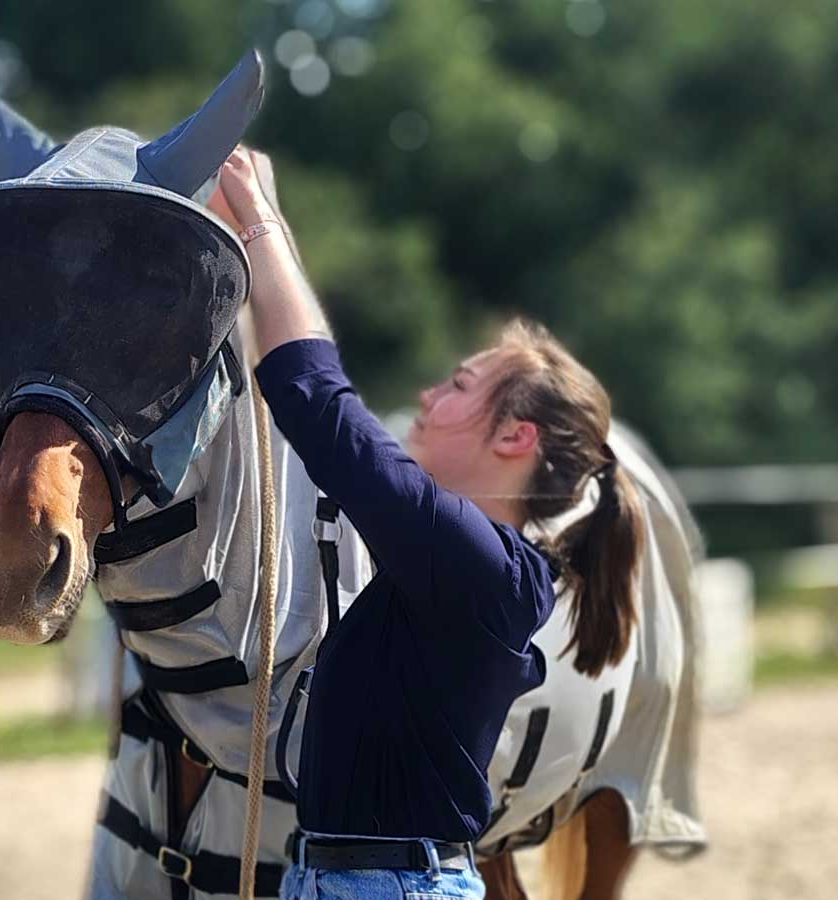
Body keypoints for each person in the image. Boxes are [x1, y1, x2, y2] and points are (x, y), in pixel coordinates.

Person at [209, 147, 646, 900]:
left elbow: (321, 400)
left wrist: (263, 227)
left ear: (515, 438)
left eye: (460, 385)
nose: (429, 393)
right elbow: (324, 400)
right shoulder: (469, 567)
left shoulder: (482, 568)